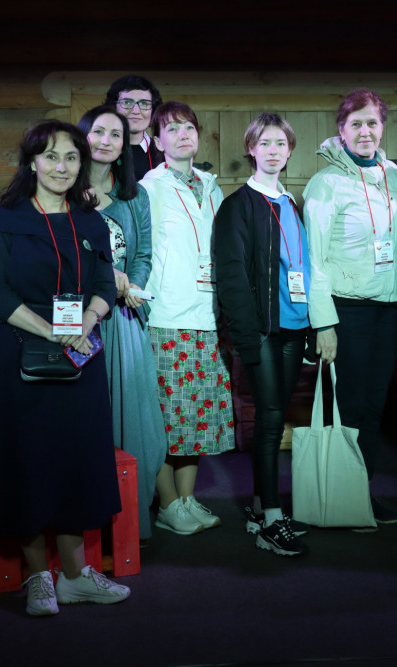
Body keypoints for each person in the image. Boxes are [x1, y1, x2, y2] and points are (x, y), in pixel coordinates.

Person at [0, 120, 130, 615]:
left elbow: (104, 285)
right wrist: (49, 330)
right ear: (32, 163)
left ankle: (75, 577)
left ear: (81, 164)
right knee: (27, 459)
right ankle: (39, 577)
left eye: (71, 157)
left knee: (75, 460)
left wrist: (86, 321)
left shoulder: (89, 221)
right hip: (23, 352)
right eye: (50, 156)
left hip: (80, 352)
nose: (61, 167)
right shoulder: (7, 218)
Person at [302, 89, 397, 525]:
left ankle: (361, 494)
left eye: (372, 123)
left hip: (388, 311)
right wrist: (323, 323)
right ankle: (339, 498)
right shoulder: (325, 183)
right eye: (356, 124)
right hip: (345, 311)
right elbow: (314, 260)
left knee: (374, 404)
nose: (365, 131)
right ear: (341, 130)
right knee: (347, 405)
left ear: (382, 127)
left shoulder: (395, 177)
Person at [216, 113, 310, 556]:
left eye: (281, 144)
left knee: (277, 415)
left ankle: (259, 505)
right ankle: (272, 518)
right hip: (262, 330)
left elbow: (301, 266)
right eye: (265, 143)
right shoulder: (238, 205)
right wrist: (245, 335)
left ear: (290, 151)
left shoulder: (291, 203)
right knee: (270, 419)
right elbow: (232, 275)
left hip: (294, 325)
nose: (273, 151)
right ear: (251, 149)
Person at [140, 101, 235, 535]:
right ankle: (166, 504)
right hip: (167, 315)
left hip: (207, 315)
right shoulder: (150, 187)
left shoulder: (211, 186)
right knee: (165, 416)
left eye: (189, 128)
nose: (183, 135)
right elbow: (143, 252)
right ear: (157, 140)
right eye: (172, 129)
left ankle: (187, 498)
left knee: (195, 414)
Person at [78, 105, 164, 541]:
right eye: (98, 132)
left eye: (116, 134)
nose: (107, 141)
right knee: (88, 418)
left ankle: (130, 525)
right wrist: (104, 277)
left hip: (125, 319)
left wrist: (135, 286)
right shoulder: (65, 190)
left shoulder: (135, 195)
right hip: (81, 319)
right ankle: (87, 530)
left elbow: (143, 253)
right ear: (83, 137)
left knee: (138, 421)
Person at [105, 74, 164, 181]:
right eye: (127, 102)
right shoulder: (102, 148)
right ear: (113, 106)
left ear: (153, 110)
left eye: (144, 103)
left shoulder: (164, 153)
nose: (135, 111)